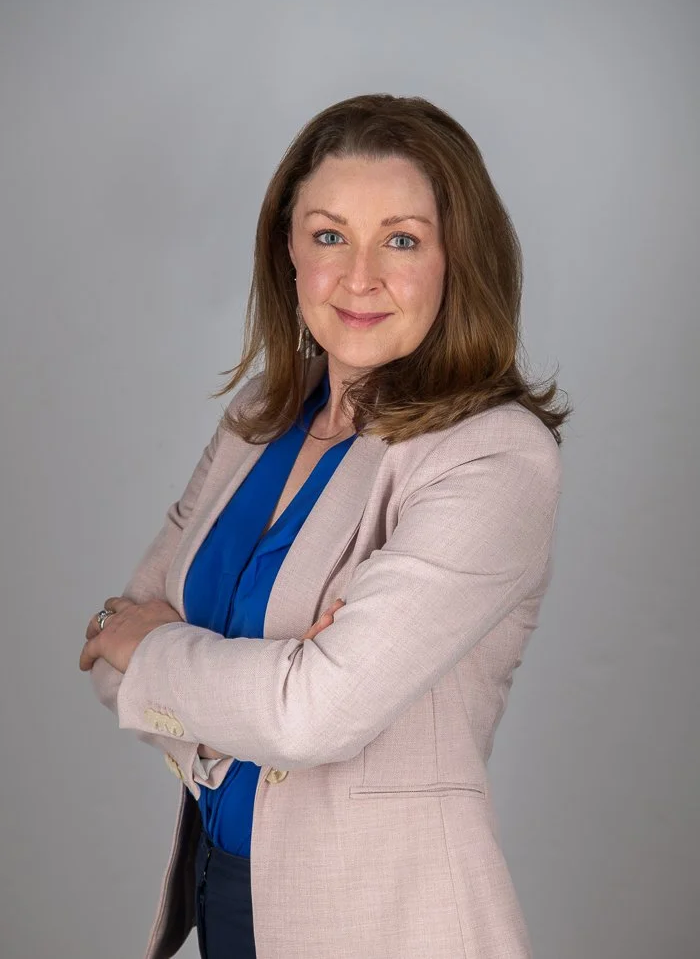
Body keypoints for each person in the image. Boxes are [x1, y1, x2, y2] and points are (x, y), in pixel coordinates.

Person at [79, 92, 571, 959]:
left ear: (459, 259)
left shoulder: (494, 457)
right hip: (225, 896)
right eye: (330, 235)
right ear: (289, 250)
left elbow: (310, 717)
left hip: (385, 922)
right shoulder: (259, 417)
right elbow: (111, 658)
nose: (360, 276)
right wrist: (262, 682)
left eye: (402, 240)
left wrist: (163, 651)